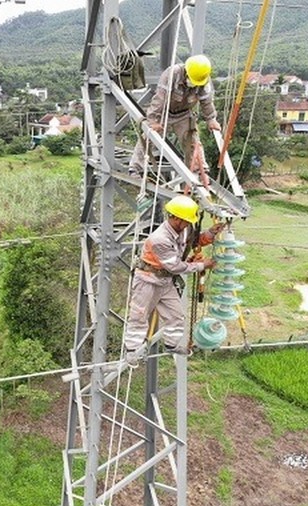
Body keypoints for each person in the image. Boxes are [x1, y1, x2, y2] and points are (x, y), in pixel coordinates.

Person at [123, 195, 224, 363]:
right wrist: (202, 265)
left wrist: (209, 234)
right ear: (175, 218)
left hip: (165, 281)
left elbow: (194, 241)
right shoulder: (159, 239)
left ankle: (171, 345)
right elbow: (175, 267)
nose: (188, 224)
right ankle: (132, 351)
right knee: (139, 316)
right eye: (185, 221)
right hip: (148, 281)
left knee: (176, 315)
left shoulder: (185, 229)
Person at [128, 55, 221, 181]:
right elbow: (159, 99)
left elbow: (206, 101)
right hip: (164, 112)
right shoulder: (172, 74)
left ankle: (199, 171)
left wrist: (211, 119)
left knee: (192, 140)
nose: (192, 83)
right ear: (186, 71)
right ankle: (135, 169)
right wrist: (153, 121)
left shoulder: (203, 79)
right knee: (149, 137)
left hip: (183, 114)